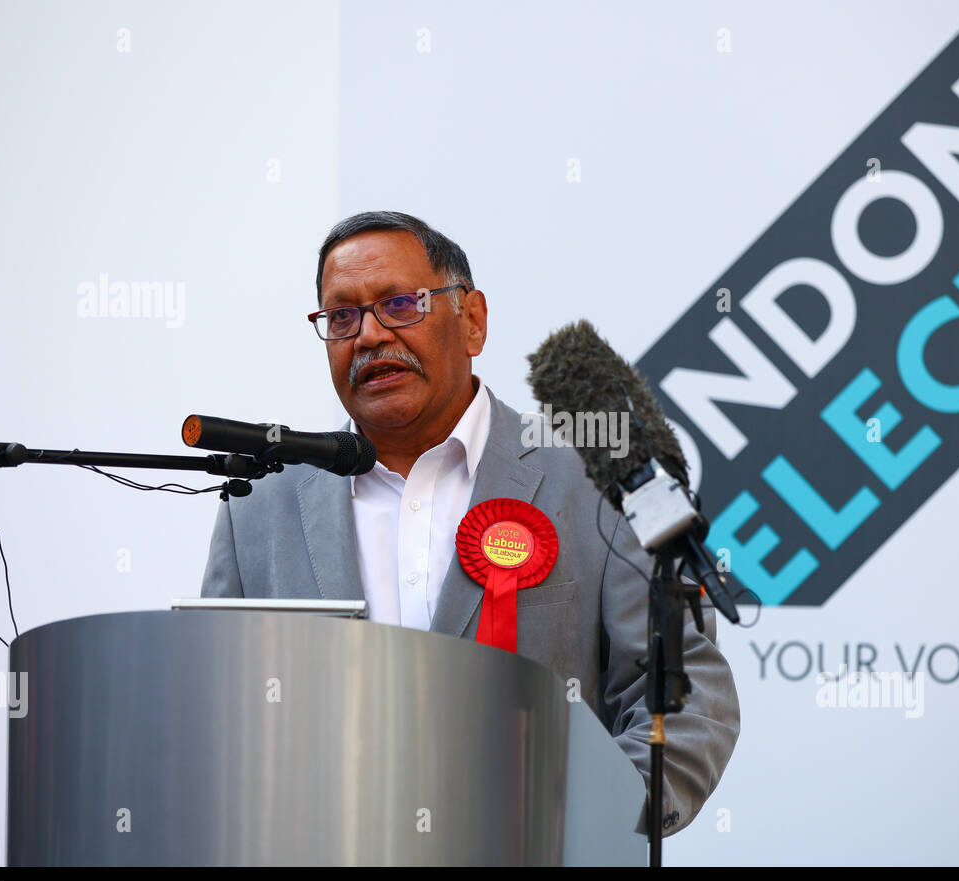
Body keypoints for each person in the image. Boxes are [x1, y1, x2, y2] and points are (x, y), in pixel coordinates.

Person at [200, 211, 739, 835]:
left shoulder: (595, 477)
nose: (370, 335)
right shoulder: (260, 501)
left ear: (472, 320)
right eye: (341, 317)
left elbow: (685, 695)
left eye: (400, 303)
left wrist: (583, 822)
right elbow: (222, 709)